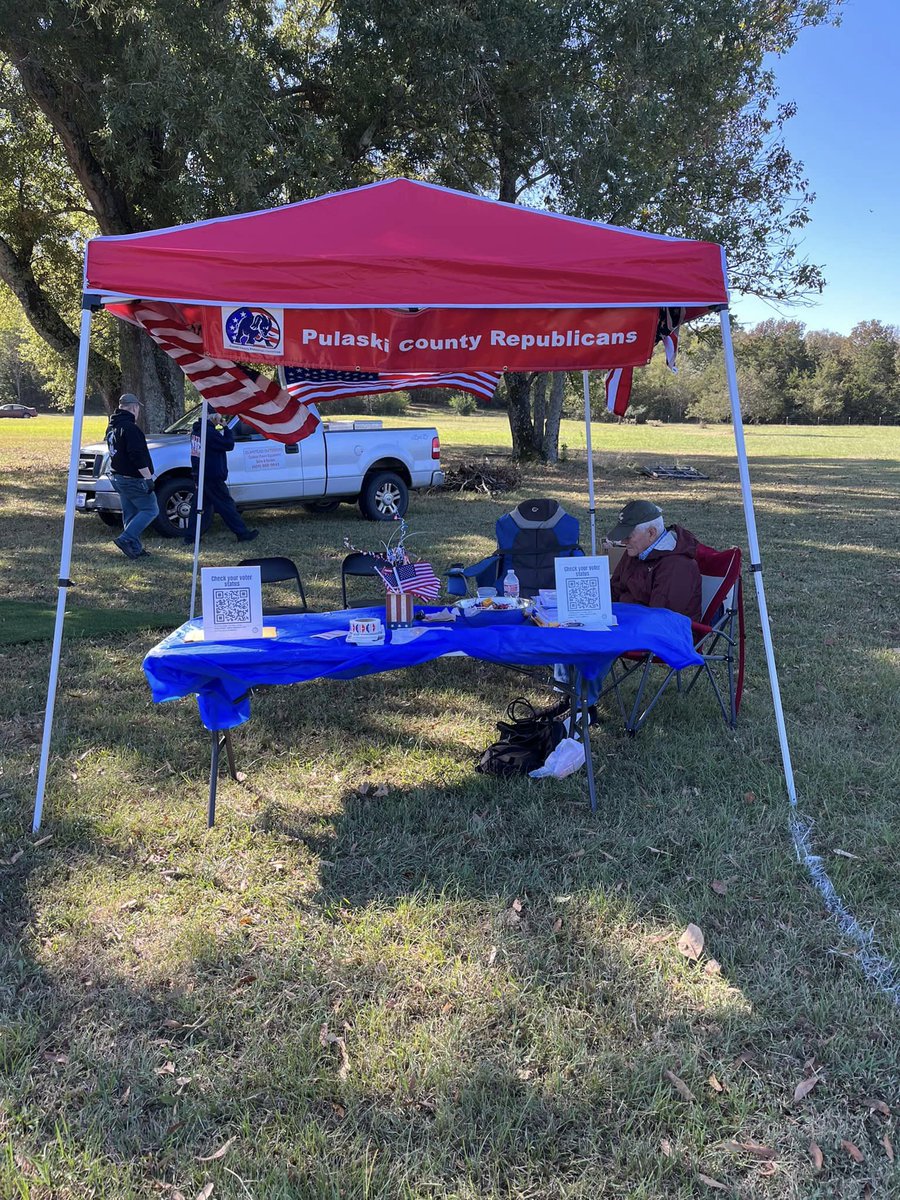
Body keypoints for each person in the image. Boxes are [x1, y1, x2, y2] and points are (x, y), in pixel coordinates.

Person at [605, 499, 701, 621]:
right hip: (629, 622)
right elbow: (614, 590)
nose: (623, 542)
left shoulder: (677, 565)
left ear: (651, 533)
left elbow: (660, 619)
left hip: (662, 634)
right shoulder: (636, 551)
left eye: (628, 536)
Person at [184, 411, 259, 544]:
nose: (220, 417)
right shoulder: (210, 433)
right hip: (213, 476)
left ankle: (191, 537)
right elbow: (228, 444)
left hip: (202, 475)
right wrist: (225, 427)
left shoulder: (197, 432)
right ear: (213, 416)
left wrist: (195, 475)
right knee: (226, 506)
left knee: (200, 507)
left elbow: (195, 456)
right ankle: (242, 533)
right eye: (218, 415)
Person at [104, 393, 158, 559]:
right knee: (151, 509)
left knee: (131, 512)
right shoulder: (131, 428)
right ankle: (126, 539)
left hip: (117, 477)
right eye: (138, 409)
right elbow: (137, 455)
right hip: (132, 478)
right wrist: (148, 478)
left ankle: (134, 548)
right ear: (134, 407)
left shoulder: (112, 427)